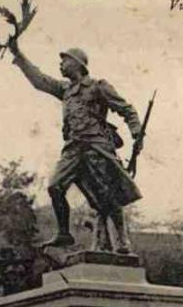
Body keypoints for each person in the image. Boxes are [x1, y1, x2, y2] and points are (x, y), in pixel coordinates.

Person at [9, 42, 143, 253]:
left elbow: (126, 109)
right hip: (73, 149)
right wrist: (18, 54)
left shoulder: (98, 86)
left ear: (78, 64)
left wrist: (136, 130)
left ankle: (122, 240)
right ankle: (64, 233)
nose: (61, 64)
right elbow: (40, 80)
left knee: (107, 197)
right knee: (55, 186)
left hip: (96, 147)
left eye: (65, 60)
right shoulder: (65, 89)